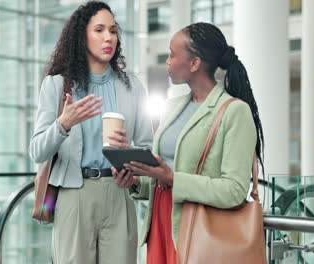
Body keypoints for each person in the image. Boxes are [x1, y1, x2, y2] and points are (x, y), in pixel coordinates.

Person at [112, 22, 265, 264]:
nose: (168, 62)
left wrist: (173, 179)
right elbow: (163, 174)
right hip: (161, 222)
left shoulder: (235, 111)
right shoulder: (173, 107)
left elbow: (235, 191)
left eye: (173, 55)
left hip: (198, 231)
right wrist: (136, 181)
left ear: (194, 63)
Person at [28, 2, 152, 264]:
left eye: (113, 31)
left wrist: (130, 156)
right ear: (81, 36)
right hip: (75, 195)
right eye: (99, 30)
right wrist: (63, 123)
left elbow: (147, 149)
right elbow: (37, 150)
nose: (109, 37)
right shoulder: (57, 84)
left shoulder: (133, 87)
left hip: (119, 194)